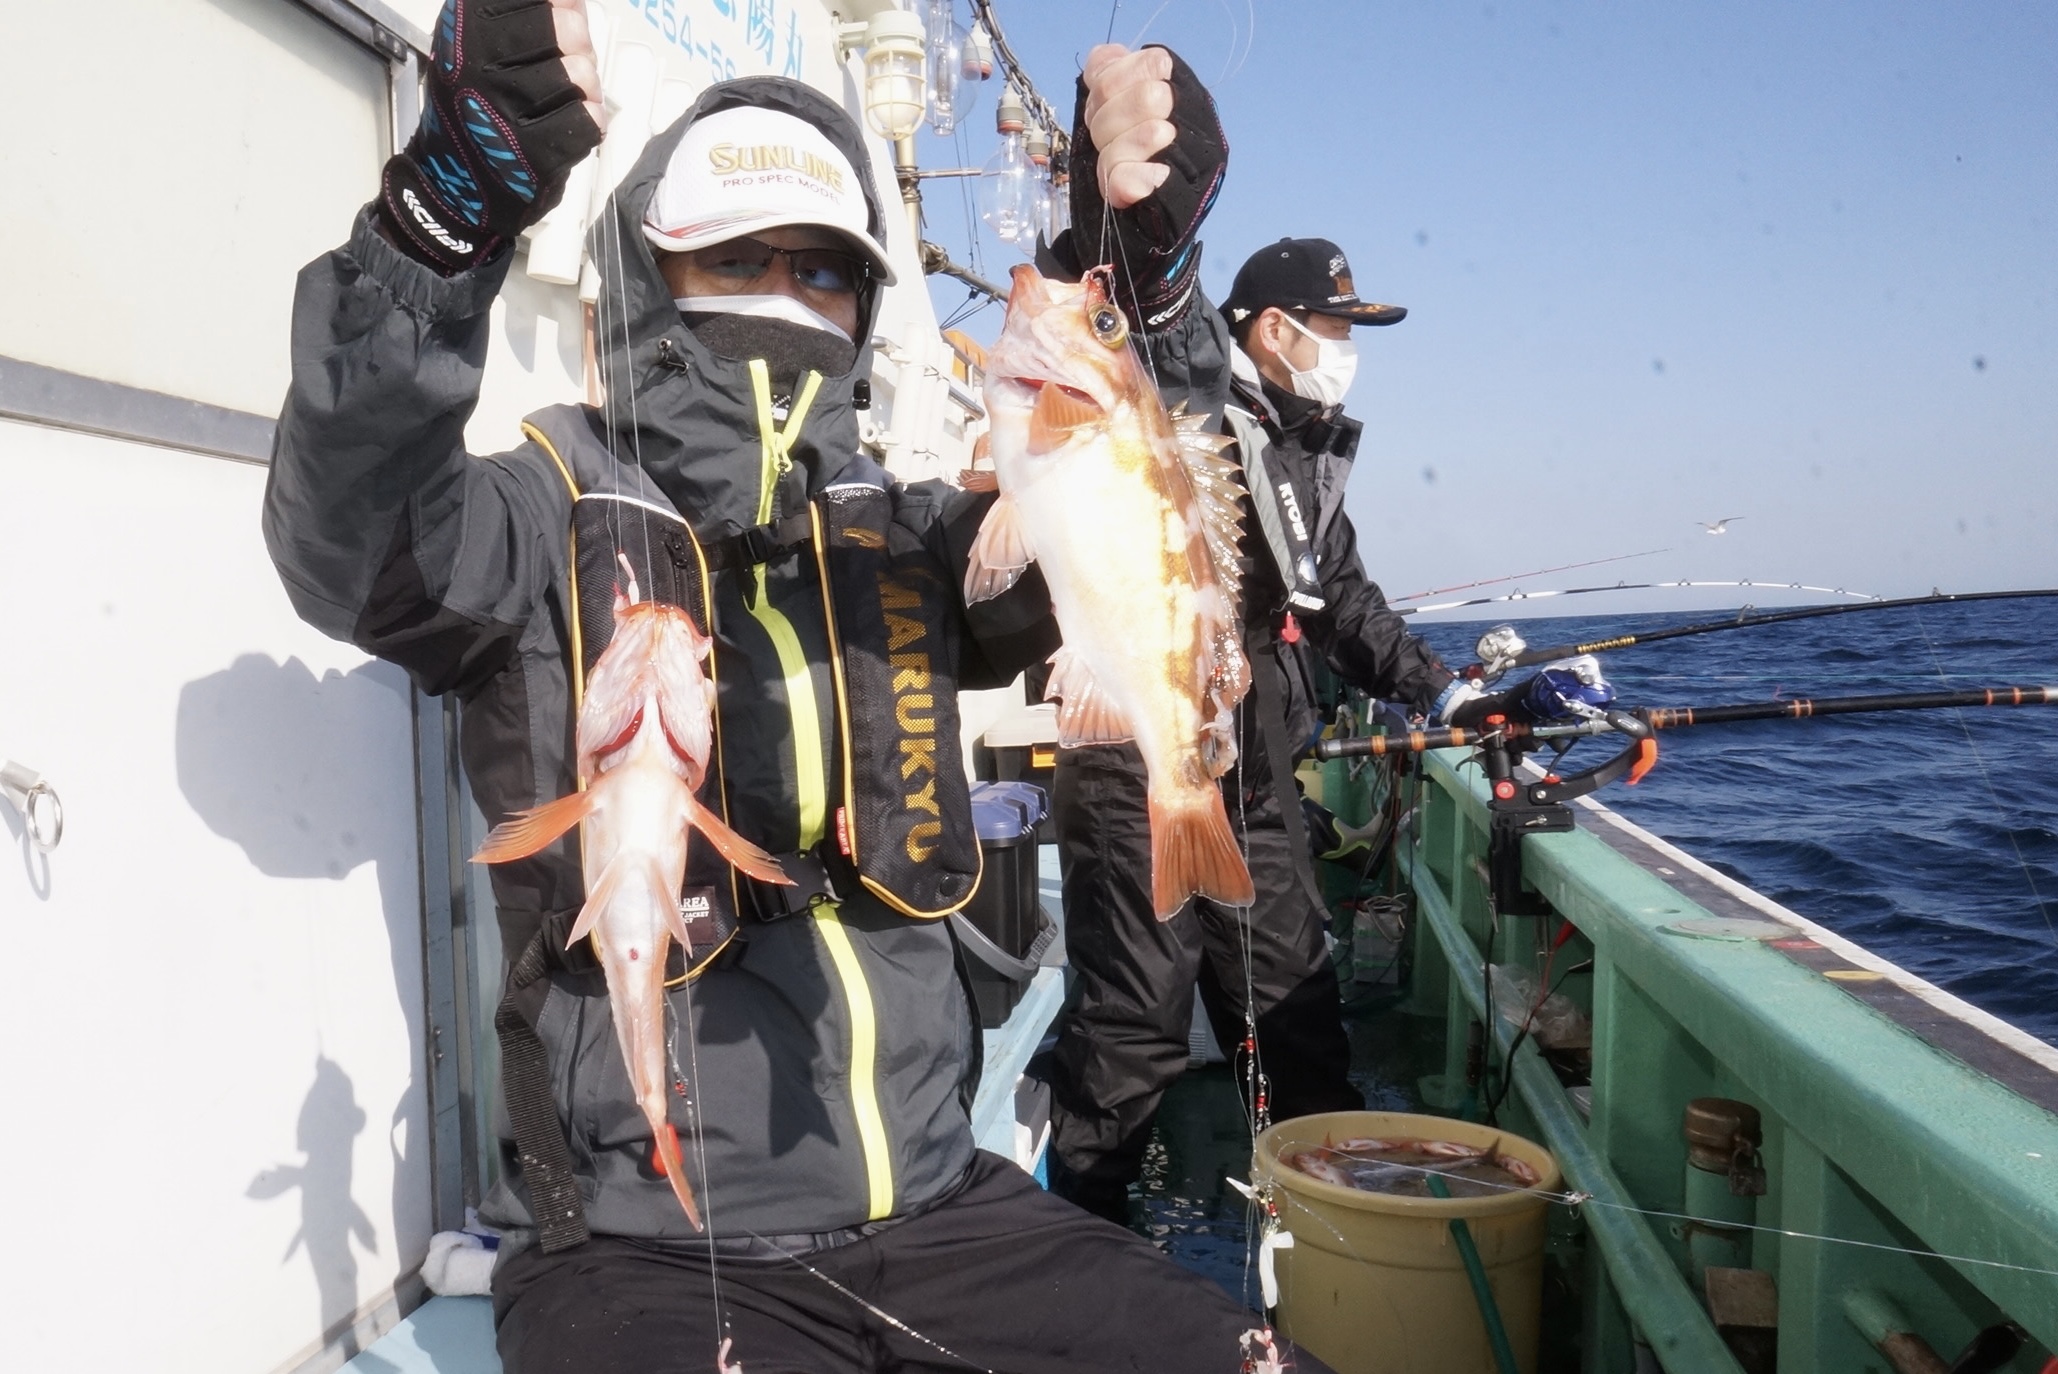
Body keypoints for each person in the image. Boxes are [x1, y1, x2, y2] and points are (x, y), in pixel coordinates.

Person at [264, 3, 1324, 1370]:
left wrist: (1142, 281)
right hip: (636, 1250)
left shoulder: (915, 533)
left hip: (948, 1205)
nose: (783, 292)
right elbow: (348, 538)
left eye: (823, 269)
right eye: (734, 257)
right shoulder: (535, 516)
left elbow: (1129, 518)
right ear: (645, 277)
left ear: (864, 306)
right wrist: (442, 222)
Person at [1040, 216, 1546, 1214]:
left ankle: (1327, 1234)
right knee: (1135, 1020)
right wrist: (1118, 229)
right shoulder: (1183, 399)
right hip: (1139, 745)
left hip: (1257, 754)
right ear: (1274, 327)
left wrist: (1446, 692)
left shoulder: (1299, 438)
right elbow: (1125, 329)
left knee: (1293, 1009)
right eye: (1337, 326)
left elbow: (1338, 593)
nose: (1347, 351)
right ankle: (1084, 1247)